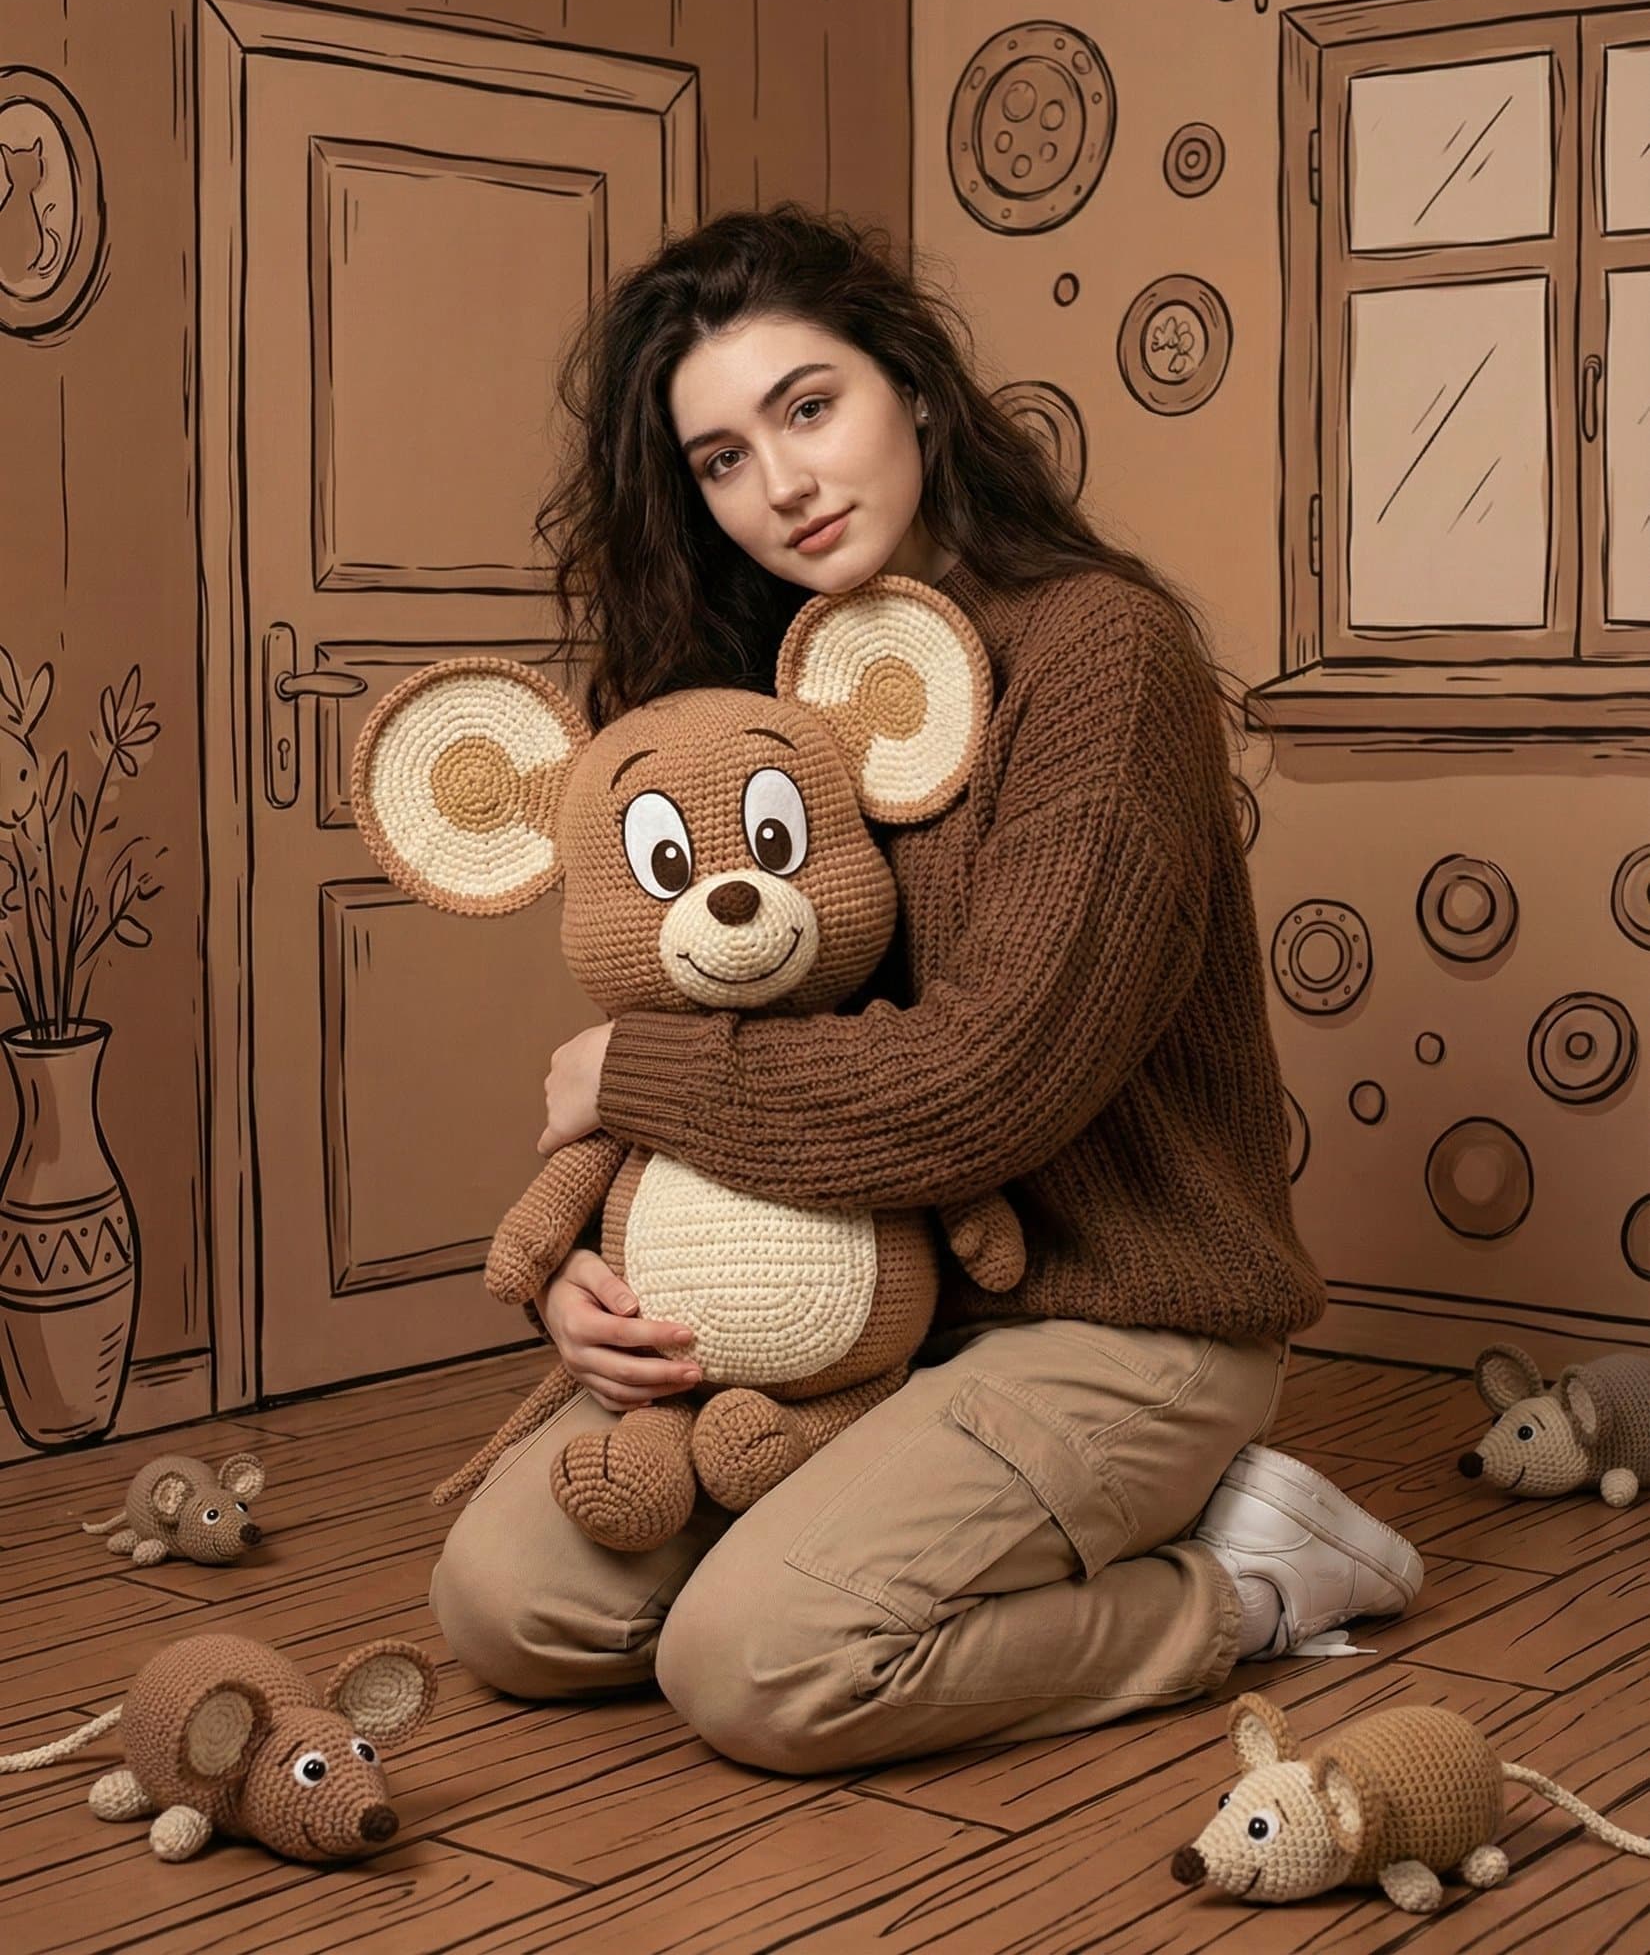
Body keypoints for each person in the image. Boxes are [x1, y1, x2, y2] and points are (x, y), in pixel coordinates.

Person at [429, 203, 1422, 1773]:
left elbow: (986, 1083)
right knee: (506, 1609)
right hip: (837, 1309)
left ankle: (1246, 1581)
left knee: (755, 1668)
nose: (784, 487)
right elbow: (704, 1033)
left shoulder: (1103, 654)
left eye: (807, 408)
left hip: (1116, 1311)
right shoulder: (748, 692)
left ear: (912, 390)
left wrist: (619, 1076)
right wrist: (581, 1264)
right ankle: (878, 1531)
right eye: (721, 460)